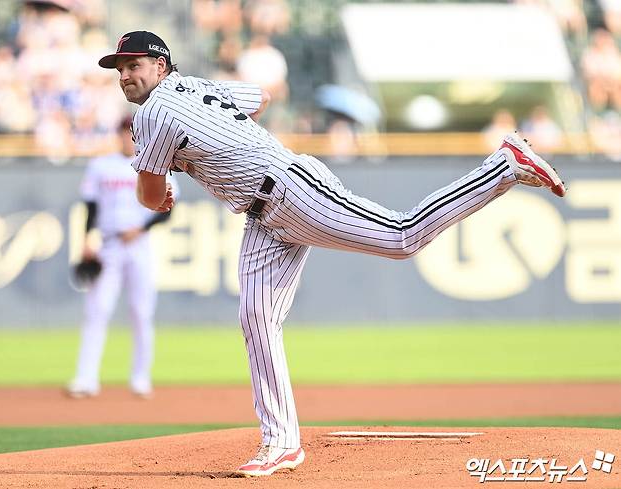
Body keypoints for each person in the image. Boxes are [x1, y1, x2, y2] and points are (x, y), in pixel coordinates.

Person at [97, 31, 566, 476]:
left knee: (401, 237)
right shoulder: (194, 86)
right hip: (263, 214)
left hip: (291, 189)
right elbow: (257, 98)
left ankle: (503, 166)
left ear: (159, 66)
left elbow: (150, 193)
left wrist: (166, 189)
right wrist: (214, 134)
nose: (124, 76)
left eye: (132, 65)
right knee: (256, 318)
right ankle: (281, 442)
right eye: (118, 69)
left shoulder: (153, 111)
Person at [67, 115, 179, 399]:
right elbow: (90, 208)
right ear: (116, 135)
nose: (127, 139)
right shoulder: (100, 166)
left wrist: (140, 228)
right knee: (97, 310)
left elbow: (168, 211)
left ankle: (141, 378)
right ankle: (85, 379)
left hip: (139, 246)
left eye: (132, 134)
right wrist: (86, 241)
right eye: (123, 133)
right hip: (108, 245)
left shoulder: (156, 166)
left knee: (142, 312)